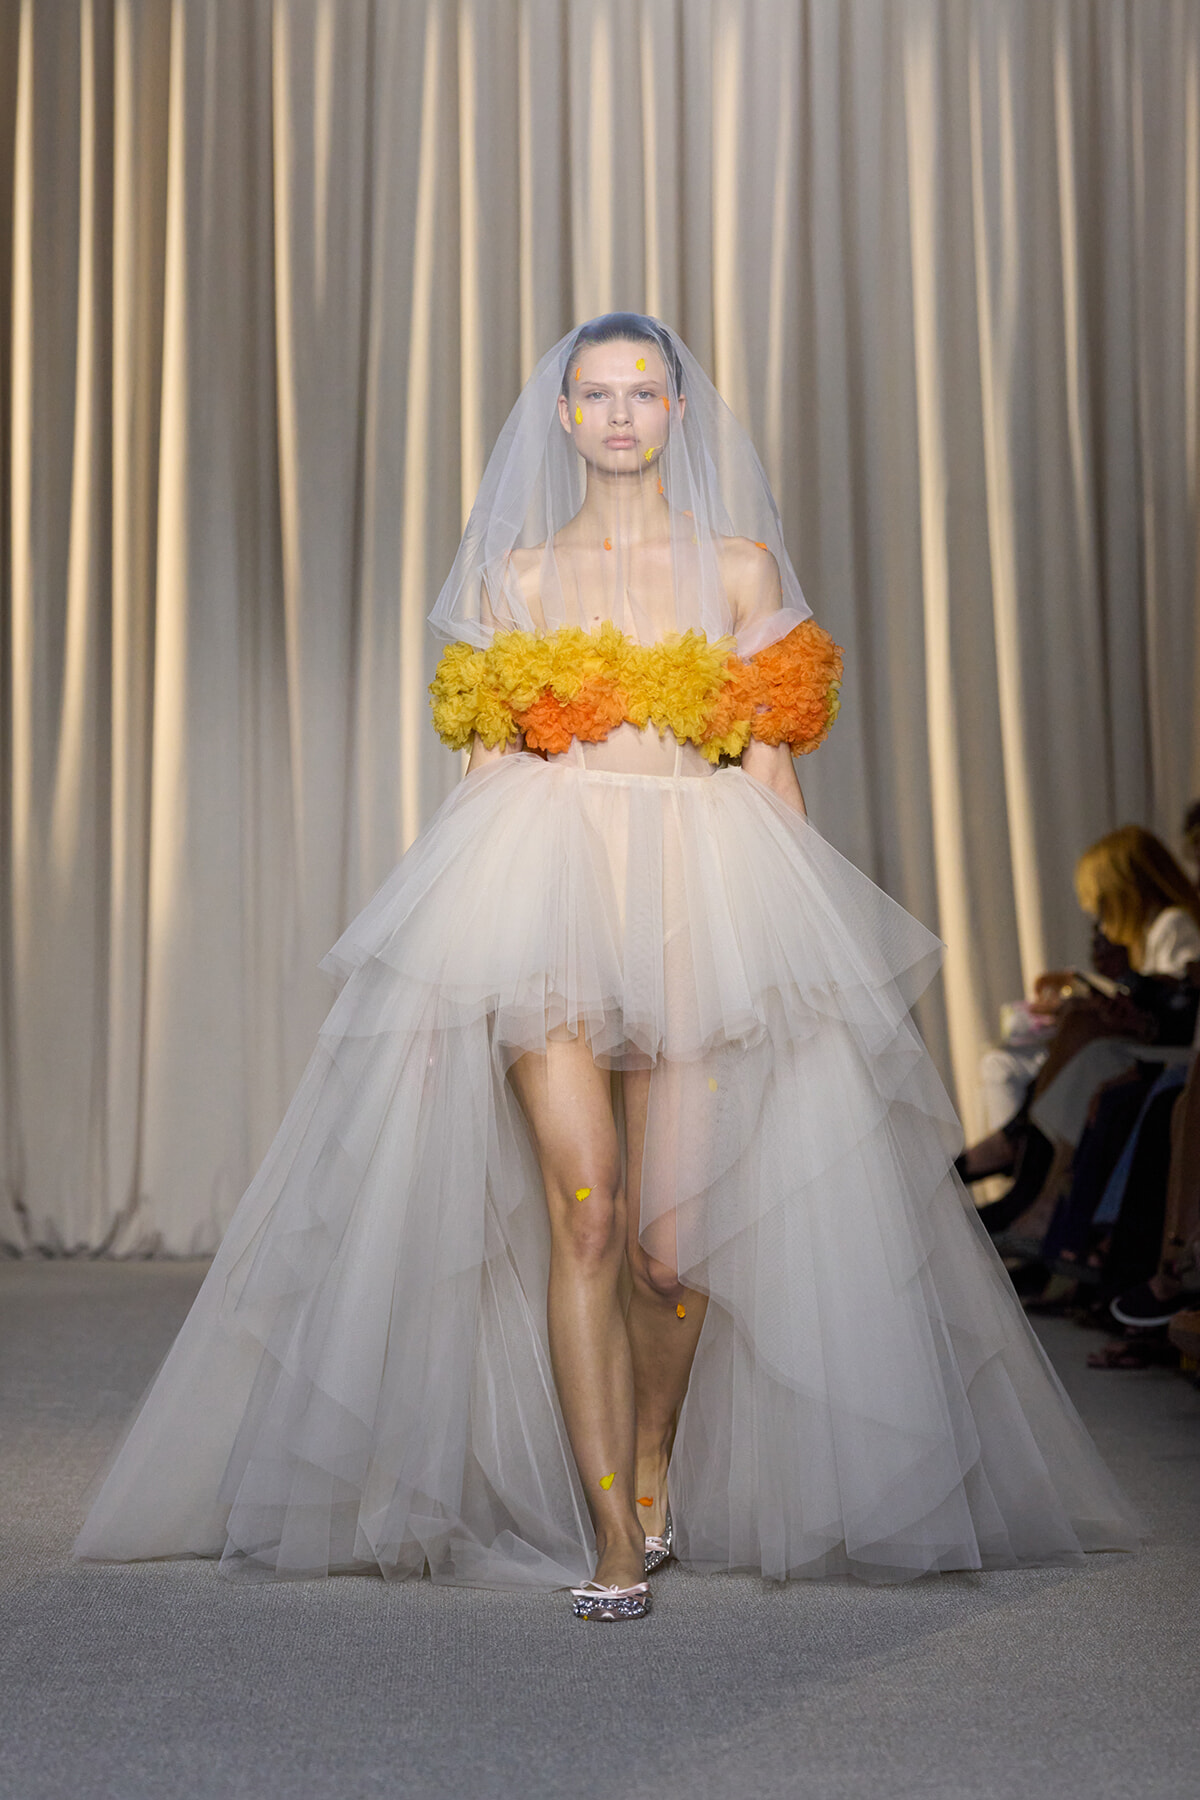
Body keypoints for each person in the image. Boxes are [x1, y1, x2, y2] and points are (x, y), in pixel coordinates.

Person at [74, 314, 1138, 1620]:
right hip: (546, 903)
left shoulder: (742, 572)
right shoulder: (517, 579)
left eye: (645, 391)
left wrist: (809, 963)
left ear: (679, 411)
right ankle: (614, 1538)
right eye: (598, 393)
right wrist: (440, 971)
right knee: (587, 1212)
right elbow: (484, 778)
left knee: (670, 1252)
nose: (623, 412)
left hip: (705, 904)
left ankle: (650, 1461)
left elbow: (771, 773)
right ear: (565, 416)